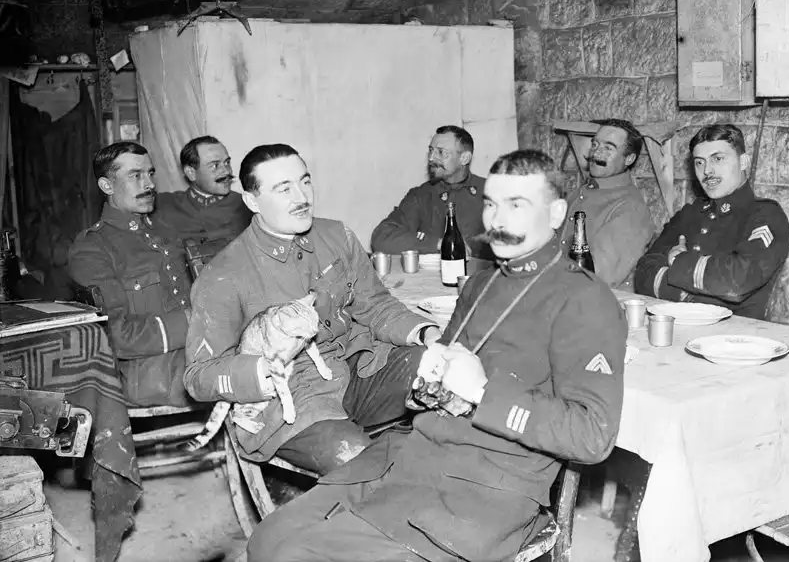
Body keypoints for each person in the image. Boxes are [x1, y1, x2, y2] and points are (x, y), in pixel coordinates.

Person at [247, 149, 628, 562]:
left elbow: (593, 436)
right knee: (268, 541)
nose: (498, 220)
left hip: (481, 490)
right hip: (410, 457)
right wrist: (428, 381)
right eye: (491, 204)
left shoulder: (585, 300)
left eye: (517, 205)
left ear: (556, 214)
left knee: (295, 556)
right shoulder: (480, 284)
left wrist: (483, 391)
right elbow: (442, 385)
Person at [183, 144, 441, 474]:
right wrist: (263, 370)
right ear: (252, 201)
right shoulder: (224, 275)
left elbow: (376, 304)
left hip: (361, 370)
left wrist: (427, 333)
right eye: (284, 189)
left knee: (446, 371)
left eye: (304, 181)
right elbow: (199, 377)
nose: (302, 196)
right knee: (364, 467)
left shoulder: (336, 236)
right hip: (295, 401)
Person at [68, 142, 192, 407]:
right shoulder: (92, 248)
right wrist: (196, 321)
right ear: (107, 186)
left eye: (150, 173)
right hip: (152, 377)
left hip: (197, 357)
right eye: (135, 175)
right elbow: (116, 335)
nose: (149, 184)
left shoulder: (165, 232)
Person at [634, 124, 789, 320]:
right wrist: (687, 295)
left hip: (735, 334)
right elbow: (643, 272)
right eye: (699, 162)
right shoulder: (690, 214)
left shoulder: (765, 215)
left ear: (743, 162)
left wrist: (677, 261)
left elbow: (737, 281)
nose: (707, 170)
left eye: (718, 159)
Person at [371, 125, 491, 259]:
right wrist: (437, 244)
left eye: (441, 152)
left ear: (464, 158)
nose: (431, 158)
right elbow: (382, 237)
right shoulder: (422, 195)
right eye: (431, 150)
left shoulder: (490, 191)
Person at [561, 118, 656, 289]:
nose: (596, 153)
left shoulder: (630, 210)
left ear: (629, 159)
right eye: (595, 144)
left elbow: (595, 277)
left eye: (608, 148)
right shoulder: (579, 193)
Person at [154, 135, 252, 249]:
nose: (226, 172)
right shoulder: (164, 204)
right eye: (215, 165)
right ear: (191, 173)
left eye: (227, 162)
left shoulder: (247, 206)